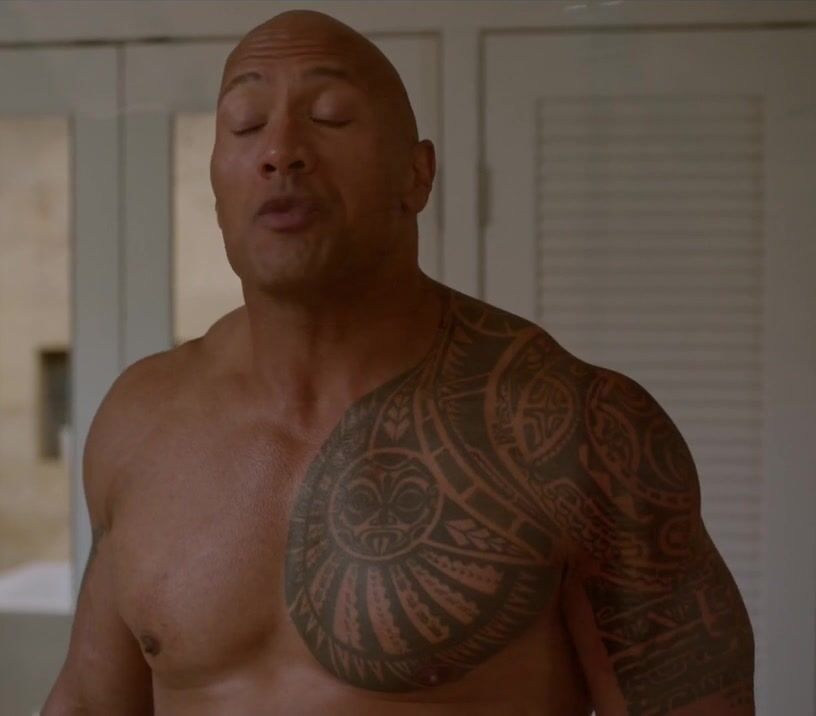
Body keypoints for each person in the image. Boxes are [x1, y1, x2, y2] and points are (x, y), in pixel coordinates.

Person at [43, 9, 754, 715]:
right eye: (246, 124)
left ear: (416, 175)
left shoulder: (577, 428)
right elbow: (88, 702)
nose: (281, 150)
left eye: (330, 117)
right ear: (217, 188)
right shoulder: (141, 420)